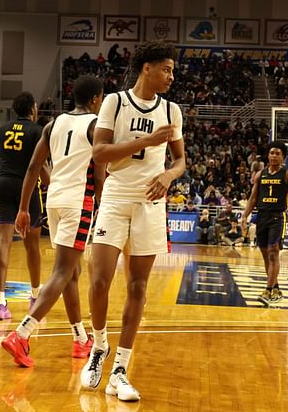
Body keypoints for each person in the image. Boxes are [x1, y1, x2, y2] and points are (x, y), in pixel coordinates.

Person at [80, 41, 185, 402]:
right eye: (166, 69)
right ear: (147, 68)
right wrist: (147, 140)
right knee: (98, 281)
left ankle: (120, 369)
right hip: (116, 195)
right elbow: (100, 153)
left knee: (138, 287)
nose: (171, 76)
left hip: (150, 203)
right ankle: (99, 346)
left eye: (172, 70)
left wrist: (170, 176)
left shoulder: (172, 110)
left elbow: (180, 161)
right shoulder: (115, 102)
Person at [1, 76, 105, 365]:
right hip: (78, 202)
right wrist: (104, 204)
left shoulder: (52, 124)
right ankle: (21, 335)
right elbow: (97, 175)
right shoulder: (95, 125)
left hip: (55, 199)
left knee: (71, 273)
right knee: (63, 272)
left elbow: (34, 166)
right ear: (96, 99)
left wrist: (23, 208)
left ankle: (79, 338)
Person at [0, 92, 46, 320]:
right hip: (28, 187)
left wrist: (6, 178)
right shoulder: (37, 130)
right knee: (32, 245)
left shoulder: (3, 129)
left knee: (2, 241)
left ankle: (0, 302)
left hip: (3, 183)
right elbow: (38, 166)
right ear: (32, 109)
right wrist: (52, 185)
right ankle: (34, 297)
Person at [241, 141, 288, 305]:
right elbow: (253, 198)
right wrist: (244, 216)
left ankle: (268, 290)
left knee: (273, 253)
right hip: (261, 216)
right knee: (265, 256)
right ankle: (275, 288)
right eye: (272, 153)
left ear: (283, 156)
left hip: (278, 217)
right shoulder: (260, 174)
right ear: (268, 155)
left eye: (277, 153)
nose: (274, 156)